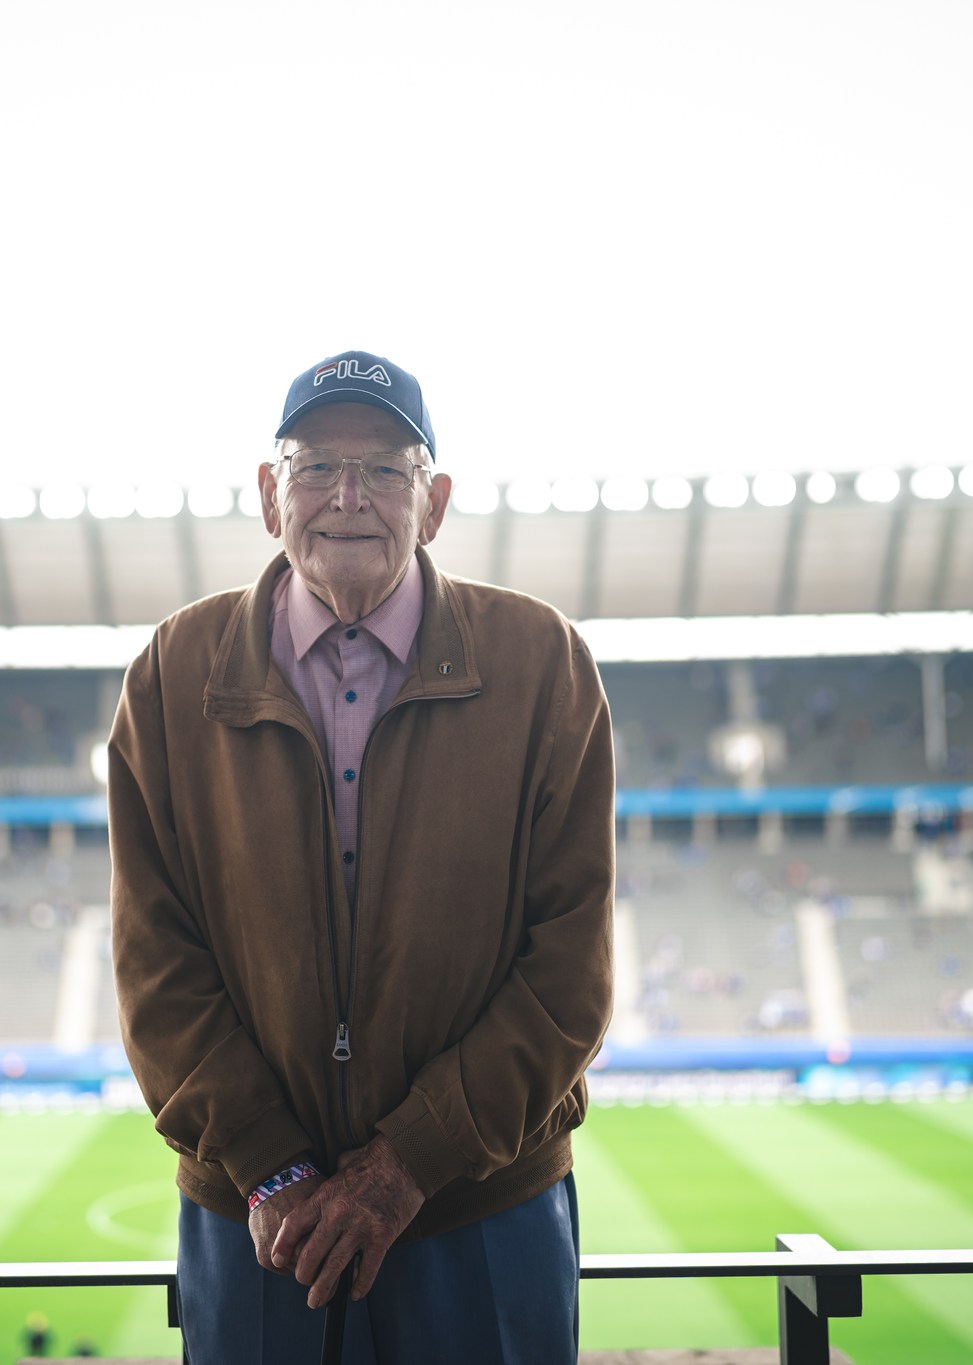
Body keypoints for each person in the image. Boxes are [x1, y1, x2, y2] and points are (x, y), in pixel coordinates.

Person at [108, 350, 615, 1364]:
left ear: (434, 503)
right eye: (316, 467)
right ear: (270, 494)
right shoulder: (171, 673)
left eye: (386, 469)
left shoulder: (541, 663)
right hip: (258, 1220)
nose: (349, 497)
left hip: (480, 1208)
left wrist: (409, 1163)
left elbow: (570, 968)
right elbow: (152, 960)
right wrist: (267, 1163)